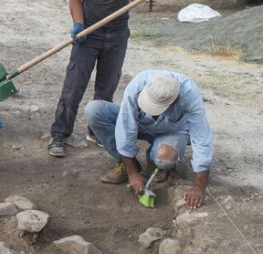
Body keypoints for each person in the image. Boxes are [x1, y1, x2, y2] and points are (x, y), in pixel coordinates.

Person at [48, 0, 163, 158]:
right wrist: (78, 24)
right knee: (73, 87)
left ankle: (96, 131)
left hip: (118, 34)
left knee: (106, 88)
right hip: (88, 35)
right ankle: (59, 135)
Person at [84, 70, 213, 209]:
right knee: (93, 110)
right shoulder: (138, 84)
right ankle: (126, 165)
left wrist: (199, 187)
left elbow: (202, 140)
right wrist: (133, 173)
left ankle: (154, 159)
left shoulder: (190, 94)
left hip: (172, 130)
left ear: (174, 100)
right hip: (141, 124)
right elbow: (125, 128)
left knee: (165, 157)